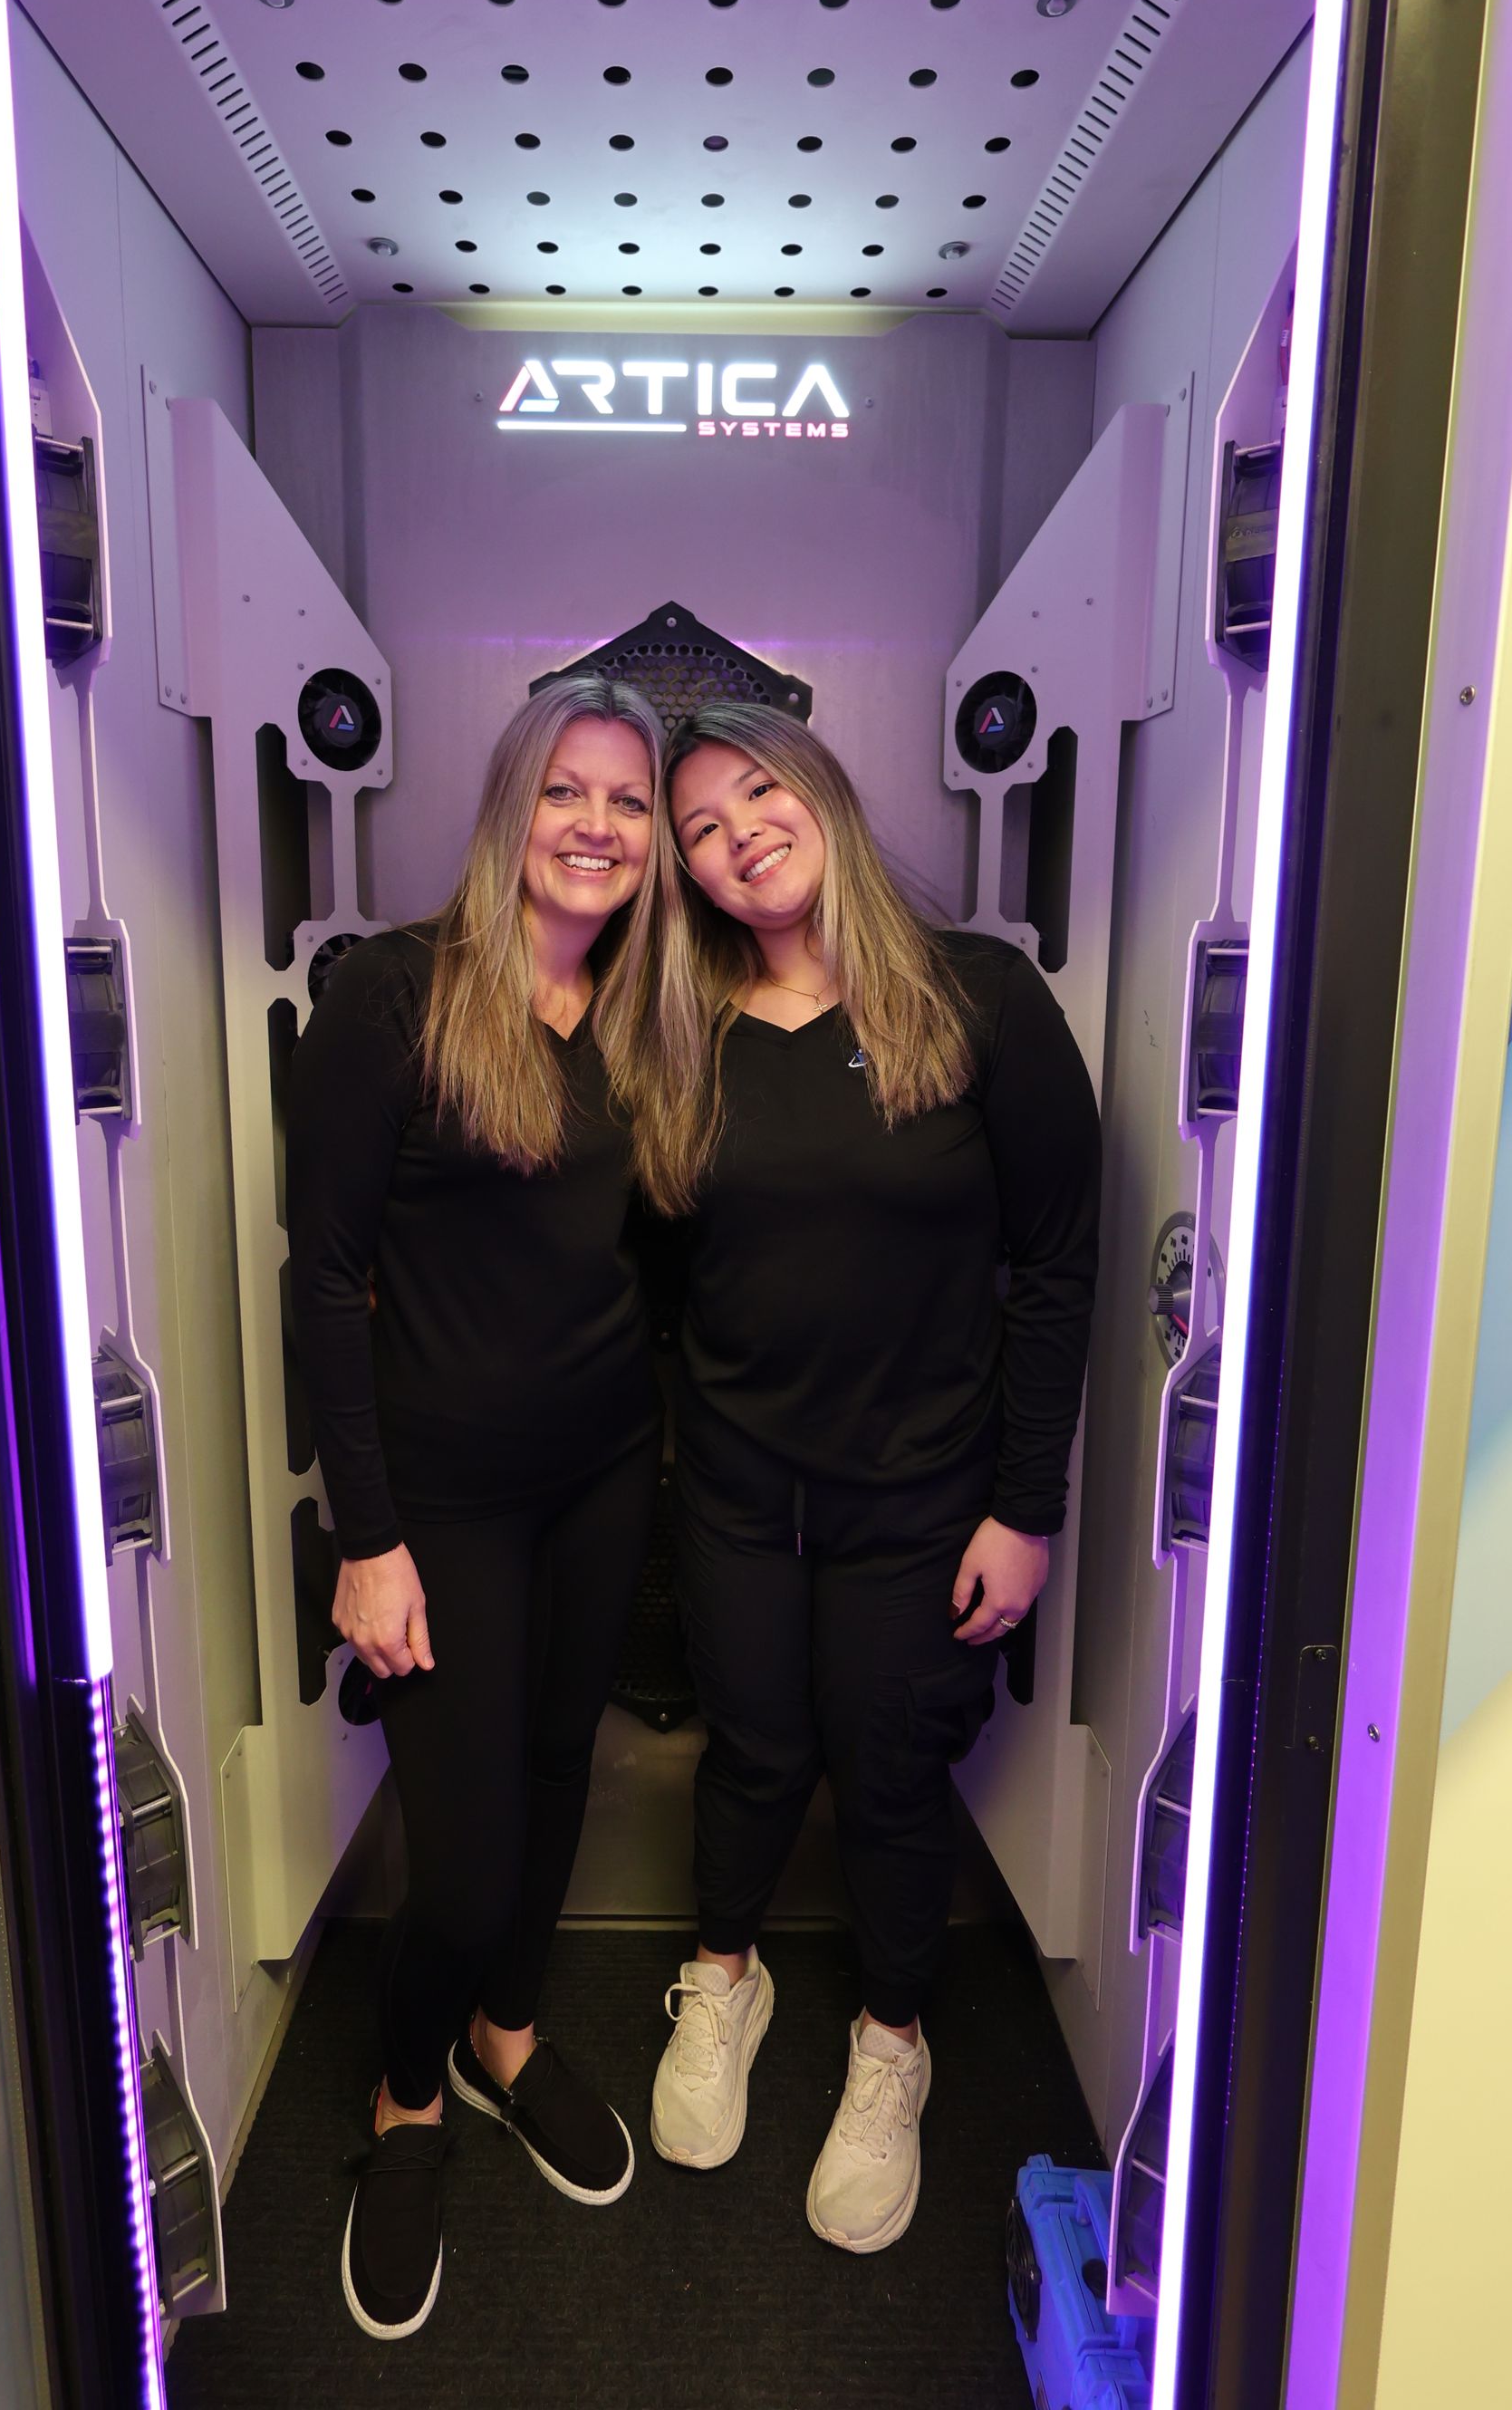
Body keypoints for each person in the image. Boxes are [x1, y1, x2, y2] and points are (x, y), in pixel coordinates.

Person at [631, 699, 1100, 2254]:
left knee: (892, 1778)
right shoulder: (682, 1038)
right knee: (755, 1751)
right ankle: (726, 1981)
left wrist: (1027, 1508)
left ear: (822, 791)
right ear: (685, 872)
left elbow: (1055, 1264)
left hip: (925, 1499)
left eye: (759, 791)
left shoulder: (978, 999)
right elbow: (646, 1276)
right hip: (742, 1492)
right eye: (698, 825)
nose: (737, 832)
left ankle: (892, 2042)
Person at [286, 676, 669, 2341]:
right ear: (514, 802)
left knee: (559, 1769)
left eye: (630, 803)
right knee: (456, 1867)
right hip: (437, 1503)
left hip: (601, 1475)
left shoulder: (652, 1015)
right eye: (569, 791)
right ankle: (404, 2101)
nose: (597, 825)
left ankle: (507, 2036)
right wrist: (367, 1536)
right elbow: (324, 1278)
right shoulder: (396, 995)